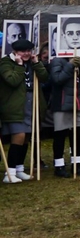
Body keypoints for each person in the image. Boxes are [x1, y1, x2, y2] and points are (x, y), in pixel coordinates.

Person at [1, 39, 48, 183]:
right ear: (15, 51)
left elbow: (44, 77)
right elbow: (12, 80)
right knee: (19, 135)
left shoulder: (32, 63)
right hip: (14, 105)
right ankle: (10, 172)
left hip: (31, 102)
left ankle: (19, 169)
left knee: (27, 136)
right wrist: (19, 65)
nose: (26, 54)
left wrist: (37, 63)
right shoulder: (5, 63)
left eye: (29, 50)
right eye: (23, 51)